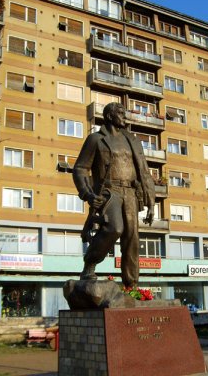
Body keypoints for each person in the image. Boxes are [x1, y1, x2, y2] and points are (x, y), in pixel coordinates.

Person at [73, 102, 155, 288]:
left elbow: (144, 171)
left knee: (132, 238)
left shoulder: (132, 141)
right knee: (114, 228)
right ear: (109, 116)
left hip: (131, 193)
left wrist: (151, 202)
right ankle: (90, 263)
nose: (124, 116)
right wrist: (87, 194)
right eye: (120, 113)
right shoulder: (95, 139)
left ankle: (131, 285)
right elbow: (80, 168)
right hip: (109, 192)